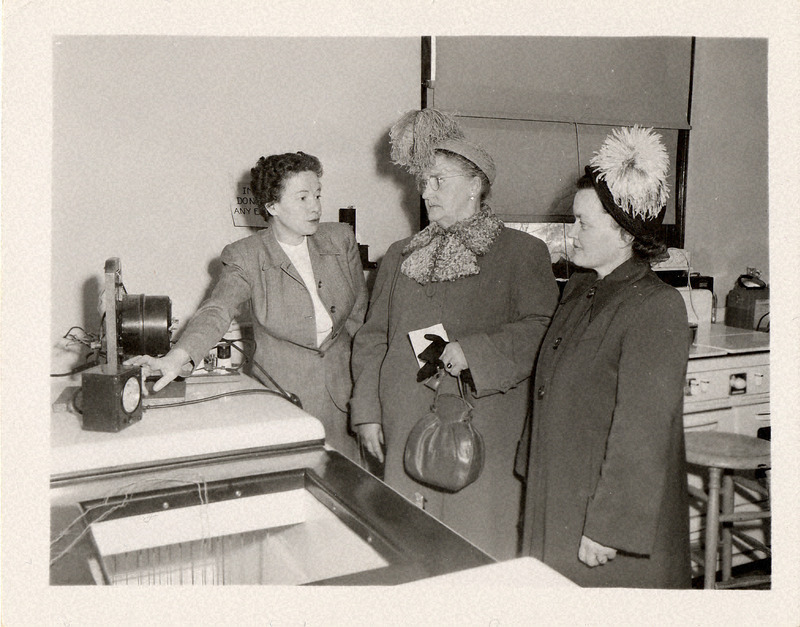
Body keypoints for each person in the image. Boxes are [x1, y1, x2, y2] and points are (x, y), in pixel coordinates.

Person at [350, 109, 558, 560]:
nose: (426, 193)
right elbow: (372, 337)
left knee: (478, 552)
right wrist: (366, 412)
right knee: (410, 549)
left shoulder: (522, 252)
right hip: (405, 424)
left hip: (484, 429)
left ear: (475, 185)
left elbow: (542, 329)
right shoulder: (398, 256)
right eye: (423, 182)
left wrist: (474, 353)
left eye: (439, 181)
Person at [516, 126, 692, 588]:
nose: (571, 235)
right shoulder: (579, 289)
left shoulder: (656, 307)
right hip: (560, 491)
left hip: (602, 520)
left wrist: (609, 526)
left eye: (584, 223)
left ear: (625, 235)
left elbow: (644, 430)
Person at [125, 151, 368, 460]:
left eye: (317, 195)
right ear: (272, 206)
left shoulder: (340, 239)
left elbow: (360, 319)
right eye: (303, 198)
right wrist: (177, 357)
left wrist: (368, 393)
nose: (316, 207)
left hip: (345, 397)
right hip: (284, 399)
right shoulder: (246, 255)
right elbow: (217, 309)